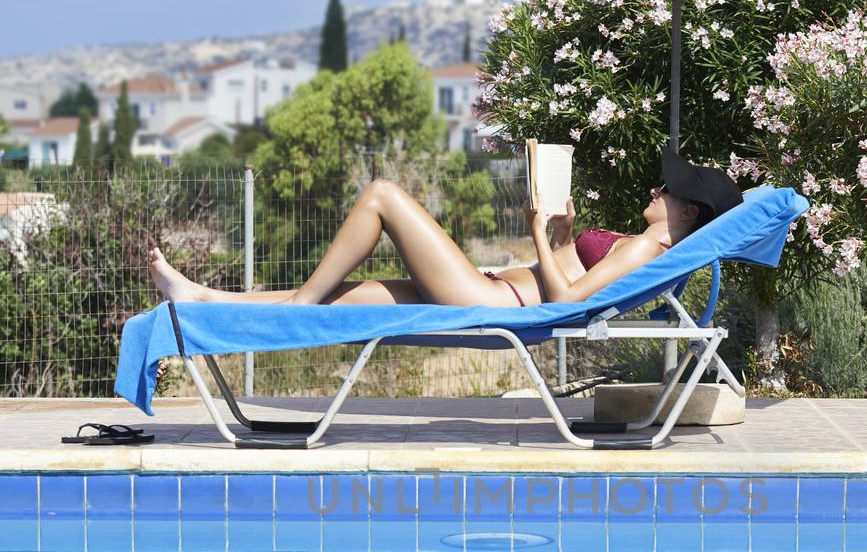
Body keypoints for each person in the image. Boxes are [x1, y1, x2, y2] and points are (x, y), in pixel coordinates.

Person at [147, 147, 743, 310]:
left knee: (382, 195)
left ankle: (298, 302)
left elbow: (561, 301)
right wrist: (562, 232)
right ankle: (201, 297)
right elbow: (567, 273)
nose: (655, 190)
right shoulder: (644, 247)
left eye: (667, 190)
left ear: (689, 212)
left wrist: (538, 231)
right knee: (344, 295)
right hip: (492, 284)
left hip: (491, 298)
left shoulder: (645, 249)